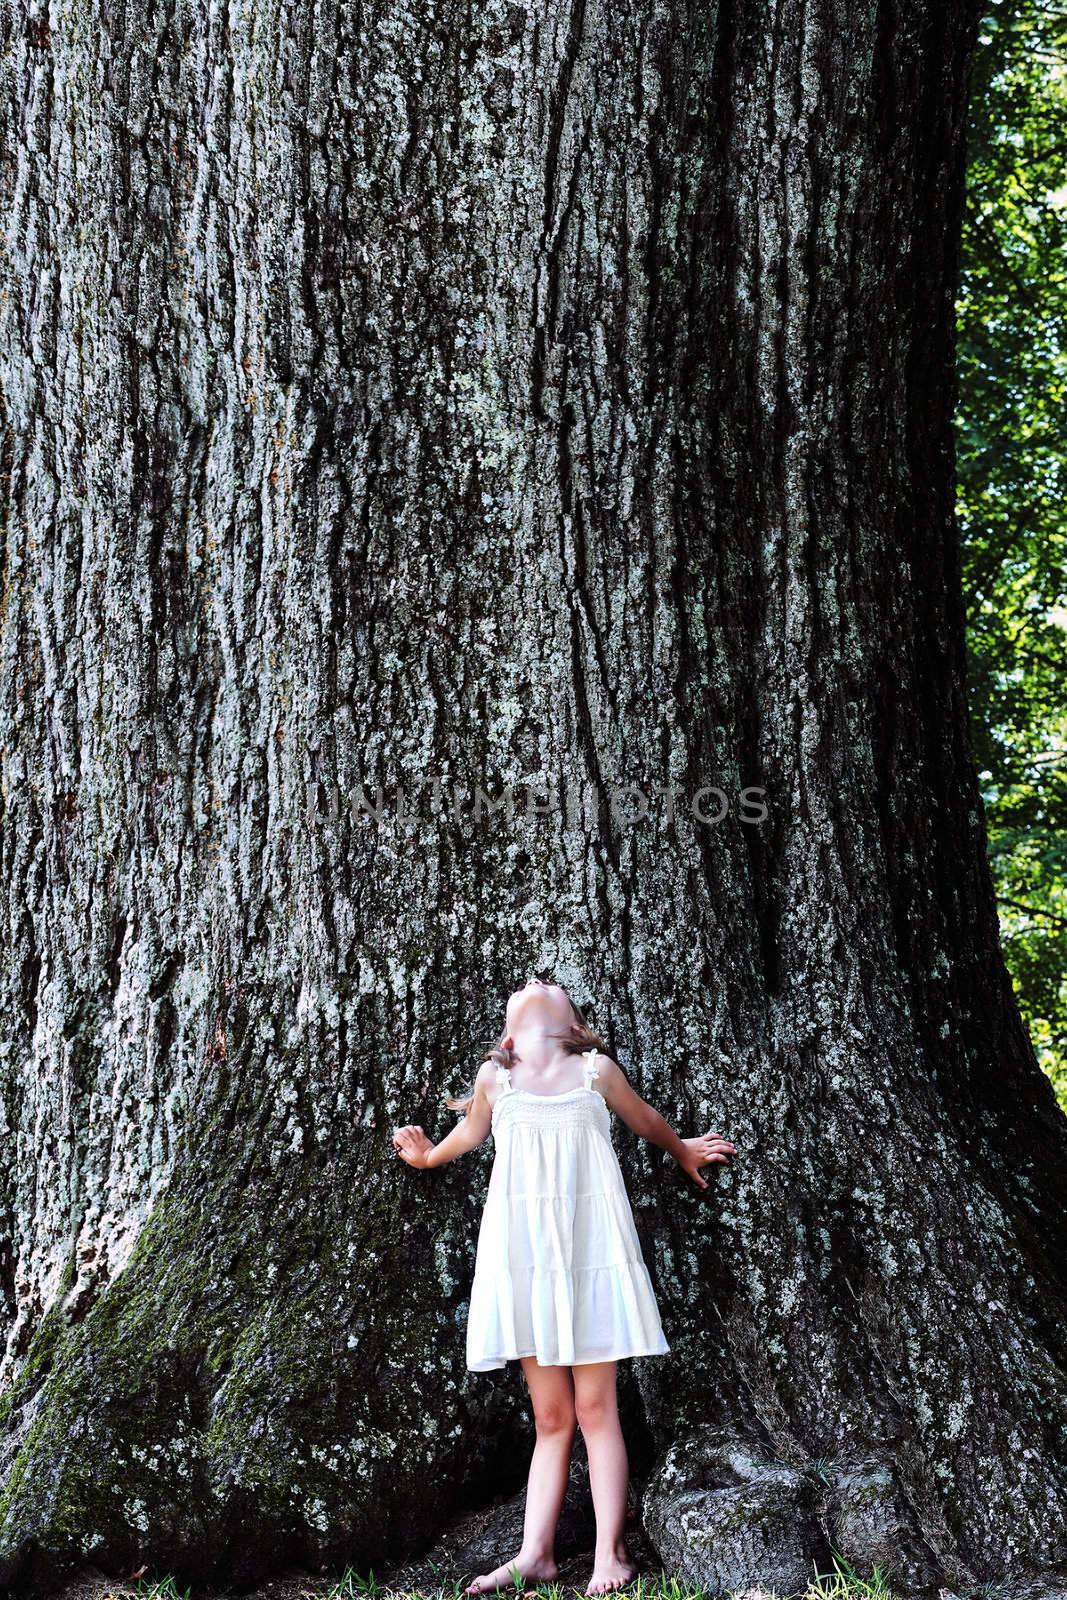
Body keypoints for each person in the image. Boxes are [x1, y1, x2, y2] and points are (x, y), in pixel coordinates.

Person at [392, 978, 737, 1596]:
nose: (537, 982)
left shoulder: (594, 1071)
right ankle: (536, 1554)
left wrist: (683, 1149)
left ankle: (611, 1552)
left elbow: (644, 1120)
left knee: (595, 1408)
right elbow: (469, 1136)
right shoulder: (497, 1079)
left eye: (550, 986)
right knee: (551, 1415)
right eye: (528, 987)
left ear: (574, 1026)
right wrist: (423, 1158)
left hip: (590, 1255)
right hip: (525, 1262)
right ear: (508, 1035)